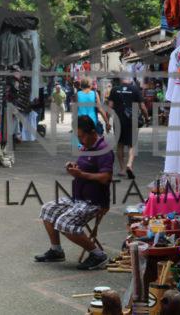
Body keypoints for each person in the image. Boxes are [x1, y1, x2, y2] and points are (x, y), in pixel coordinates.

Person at [34, 115, 114, 270]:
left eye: (82, 136)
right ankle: (56, 251)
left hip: (94, 202)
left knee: (64, 223)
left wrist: (81, 175)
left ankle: (98, 255)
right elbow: (84, 166)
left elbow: (106, 177)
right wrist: (73, 166)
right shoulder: (86, 146)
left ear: (92, 133)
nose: (80, 140)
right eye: (78, 137)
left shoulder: (103, 150)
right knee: (47, 209)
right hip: (77, 198)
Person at [107, 75, 137, 179]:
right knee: (131, 144)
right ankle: (129, 164)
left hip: (117, 120)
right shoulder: (135, 89)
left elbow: (110, 107)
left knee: (120, 144)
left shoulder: (114, 90)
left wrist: (107, 122)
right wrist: (146, 118)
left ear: (120, 81)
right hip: (131, 120)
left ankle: (122, 169)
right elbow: (142, 106)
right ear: (129, 80)